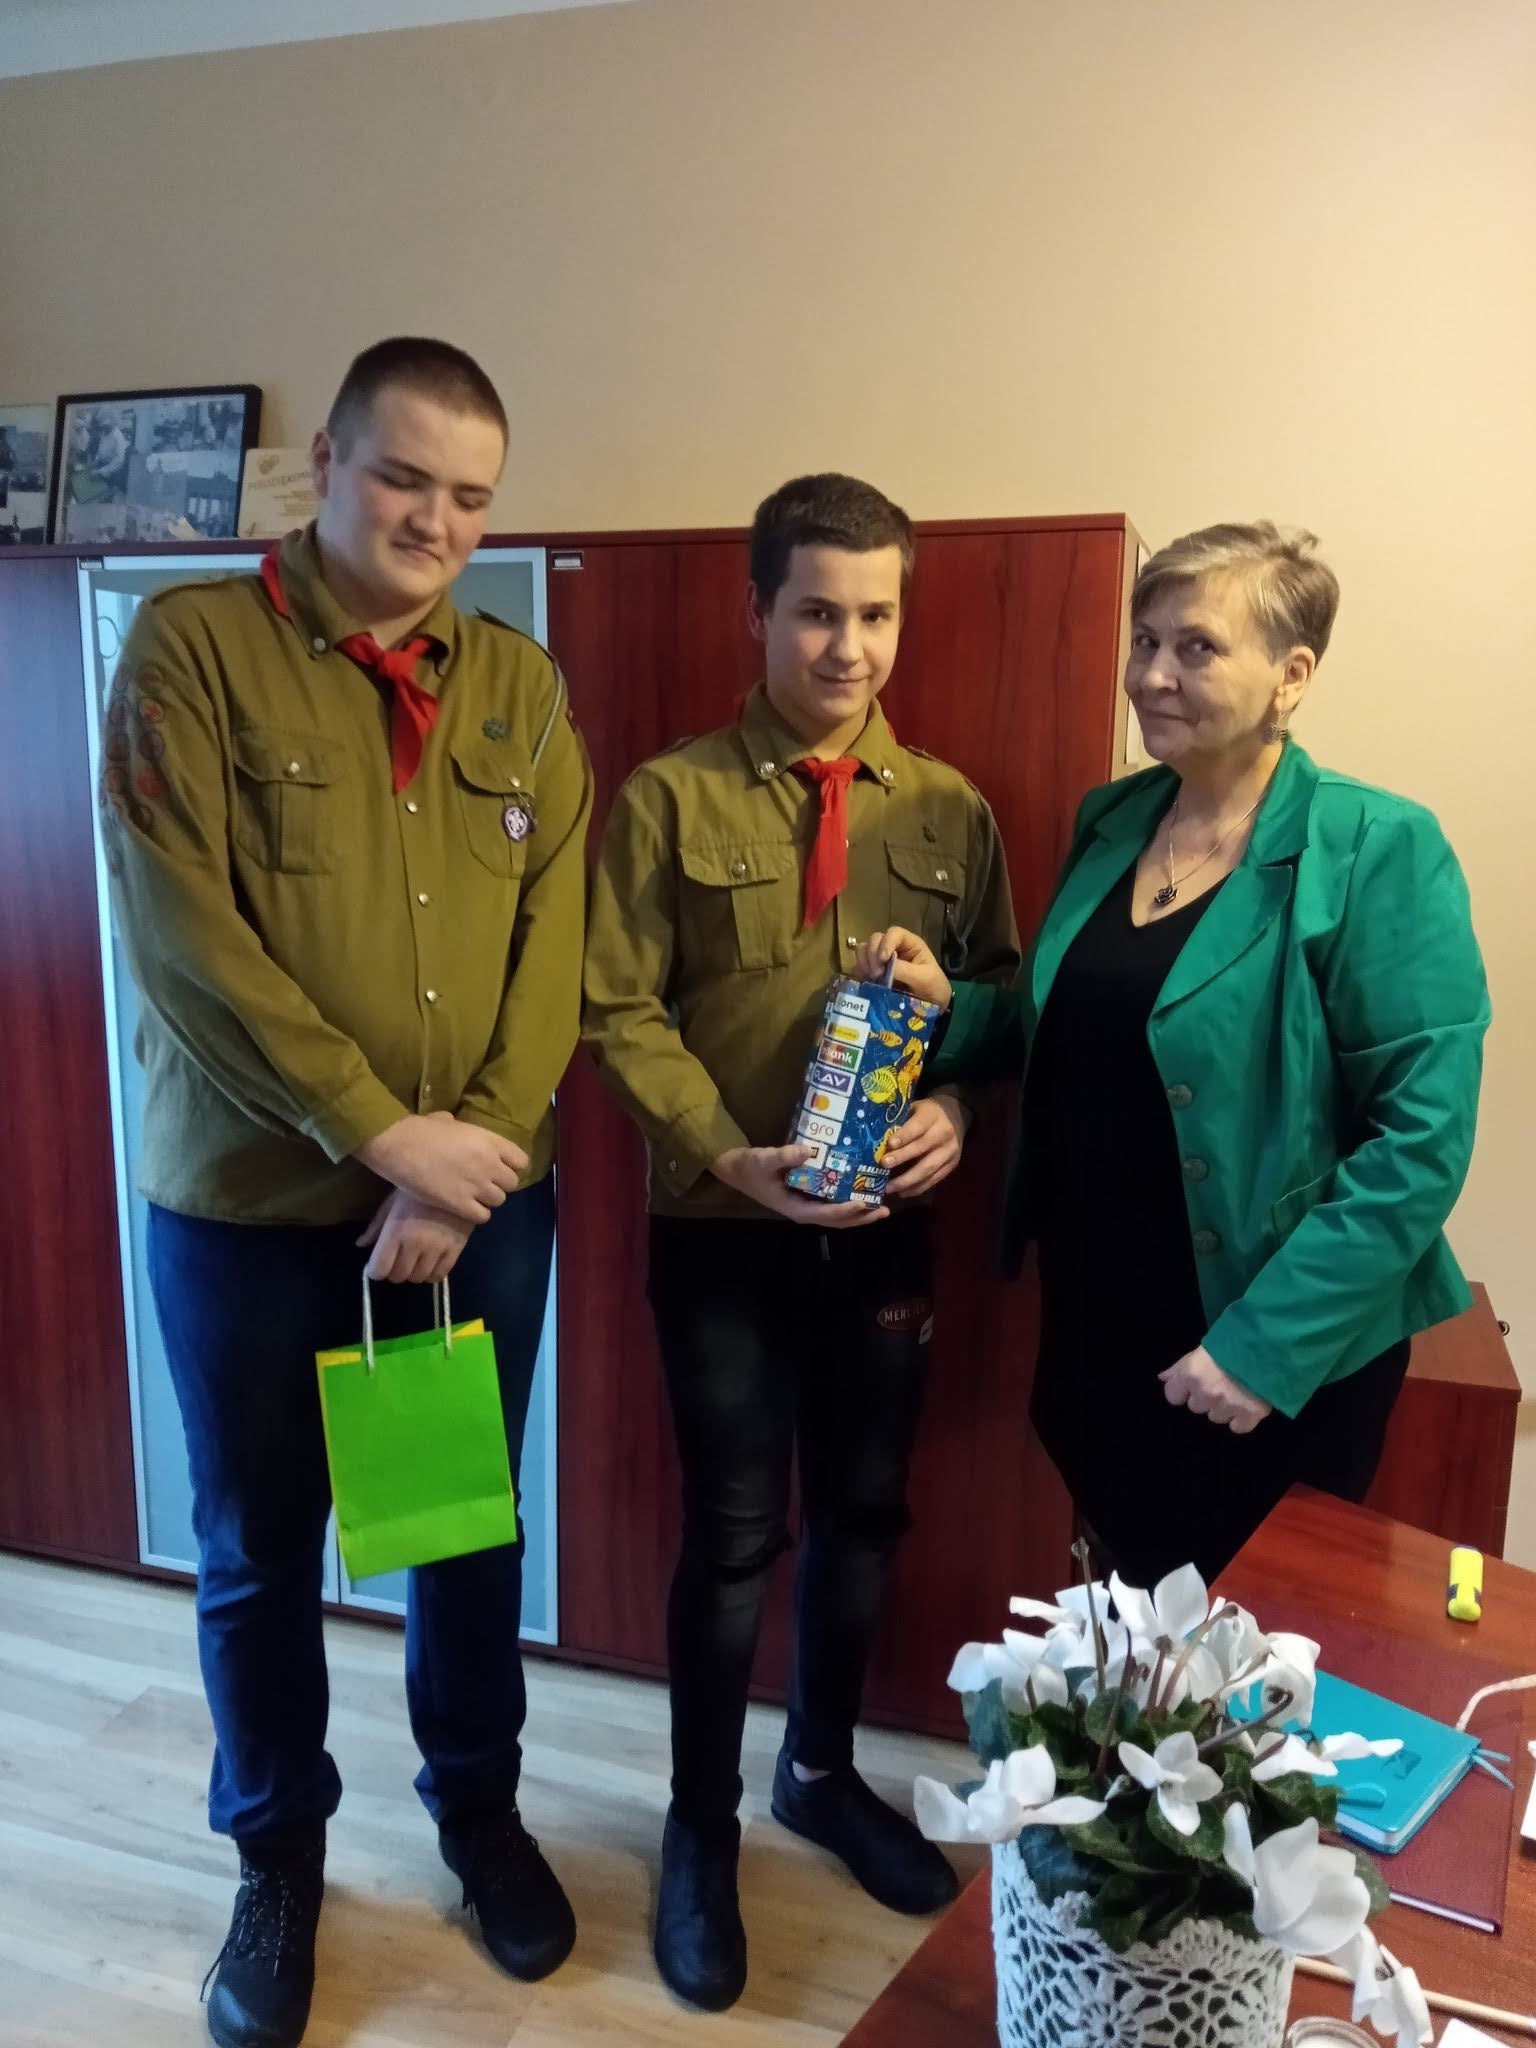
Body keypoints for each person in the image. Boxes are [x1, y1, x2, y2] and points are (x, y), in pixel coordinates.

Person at [101, 336, 593, 2048]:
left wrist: (473, 1159)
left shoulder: (519, 687)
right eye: (402, 478)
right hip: (250, 1211)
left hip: (474, 1213)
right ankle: (278, 1860)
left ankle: (479, 1811)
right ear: (327, 462)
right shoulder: (193, 651)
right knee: (258, 1549)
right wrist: (387, 1136)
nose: (434, 520)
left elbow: (553, 944)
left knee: (457, 1523)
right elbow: (188, 941)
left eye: (470, 496)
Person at [582, 473, 1021, 2010]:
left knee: (866, 1515)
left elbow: (999, 997)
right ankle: (700, 1830)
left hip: (885, 1231)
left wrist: (955, 1105)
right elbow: (614, 1007)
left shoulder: (950, 809)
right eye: (820, 612)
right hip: (724, 1229)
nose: (851, 647)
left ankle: (820, 1774)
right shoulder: (670, 798)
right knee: (730, 1537)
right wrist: (726, 1153)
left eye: (877, 614)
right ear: (759, 608)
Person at [861, 521, 1489, 1588]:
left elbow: (1419, 1142)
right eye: (1145, 640)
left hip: (1261, 1343)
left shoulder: (1376, 845)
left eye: (1197, 647)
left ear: (1292, 675)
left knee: (1243, 1650)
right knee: (1126, 1624)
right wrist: (949, 1011)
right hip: (1100, 1316)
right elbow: (1081, 1033)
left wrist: (1264, 1345)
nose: (1151, 674)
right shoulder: (1115, 820)